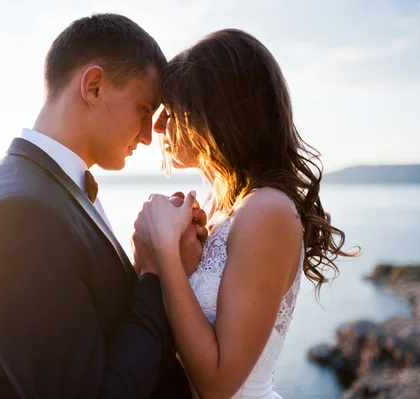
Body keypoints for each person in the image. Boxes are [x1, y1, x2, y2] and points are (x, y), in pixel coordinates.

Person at [0, 13, 206, 399]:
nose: (147, 136)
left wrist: (148, 259)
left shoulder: (46, 190)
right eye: (142, 109)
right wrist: (157, 274)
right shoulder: (18, 216)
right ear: (94, 86)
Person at [132, 29, 357, 399]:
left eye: (171, 111)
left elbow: (218, 384)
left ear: (215, 114)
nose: (157, 126)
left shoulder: (267, 210)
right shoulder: (220, 207)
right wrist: (152, 256)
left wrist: (166, 253)